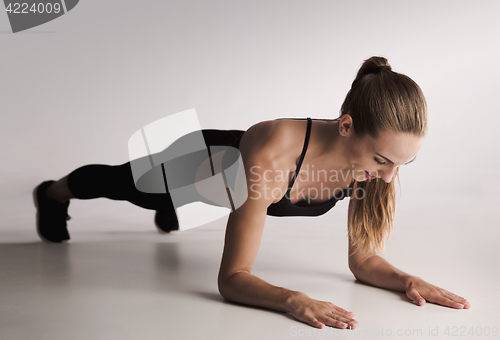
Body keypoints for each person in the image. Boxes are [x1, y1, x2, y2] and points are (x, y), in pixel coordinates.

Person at [33, 56, 470, 330]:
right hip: (198, 165)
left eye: (402, 164)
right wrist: (292, 300)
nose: (391, 177)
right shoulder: (274, 149)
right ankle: (52, 194)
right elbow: (232, 279)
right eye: (384, 161)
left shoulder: (372, 164)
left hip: (233, 192)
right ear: (347, 125)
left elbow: (363, 262)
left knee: (173, 205)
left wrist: (406, 280)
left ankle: (170, 209)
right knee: (124, 184)